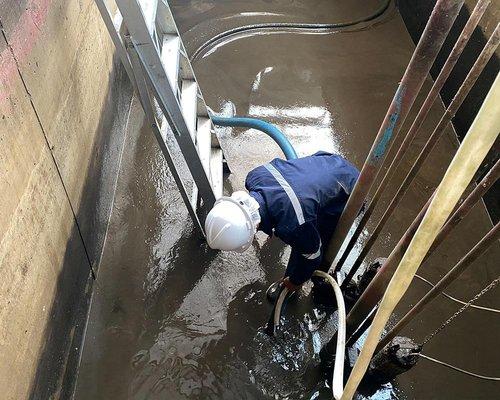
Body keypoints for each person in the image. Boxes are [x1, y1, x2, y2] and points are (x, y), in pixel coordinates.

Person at [204, 151, 359, 305]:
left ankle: (296, 285)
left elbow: (312, 256)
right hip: (330, 161)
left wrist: (295, 281)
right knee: (302, 232)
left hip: (351, 190)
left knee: (312, 246)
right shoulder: (255, 176)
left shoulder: (292, 225)